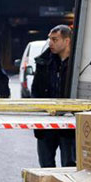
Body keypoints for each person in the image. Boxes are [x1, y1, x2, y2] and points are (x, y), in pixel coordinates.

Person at [31, 25, 76, 168]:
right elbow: (36, 91)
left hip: (69, 125)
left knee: (69, 166)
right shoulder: (44, 62)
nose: (50, 43)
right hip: (46, 124)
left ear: (67, 41)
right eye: (50, 39)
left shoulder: (77, 64)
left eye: (55, 39)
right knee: (45, 166)